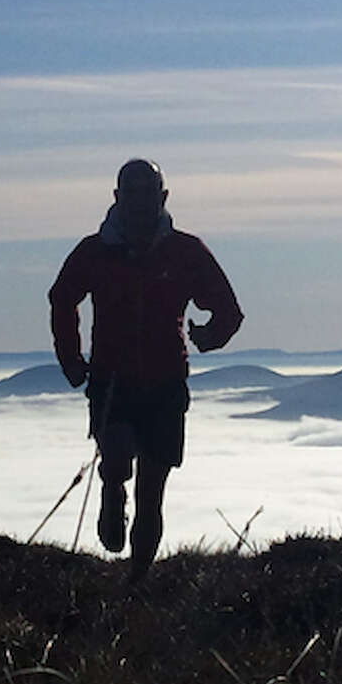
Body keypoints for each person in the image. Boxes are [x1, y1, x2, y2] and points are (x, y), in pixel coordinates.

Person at [48, 158, 244, 584]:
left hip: (166, 383)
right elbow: (62, 298)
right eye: (132, 193)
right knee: (117, 457)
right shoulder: (95, 251)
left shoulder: (186, 251)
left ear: (163, 197)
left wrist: (210, 336)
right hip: (111, 381)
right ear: (117, 198)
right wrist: (70, 357)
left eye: (148, 192)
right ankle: (111, 490)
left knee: (152, 490)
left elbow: (228, 309)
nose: (140, 202)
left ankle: (138, 580)